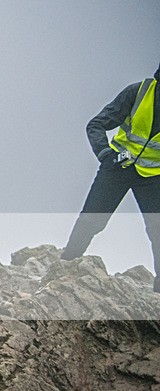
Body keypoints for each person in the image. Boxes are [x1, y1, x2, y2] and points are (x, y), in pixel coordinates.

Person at [62, 63, 160, 293]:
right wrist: (106, 154)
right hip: (118, 167)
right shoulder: (137, 92)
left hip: (153, 176)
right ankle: (66, 266)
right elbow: (96, 124)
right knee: (92, 219)